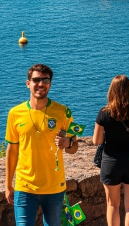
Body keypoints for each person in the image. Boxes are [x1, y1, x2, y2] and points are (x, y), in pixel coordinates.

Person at [5, 64, 80, 226]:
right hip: (25, 187)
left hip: (54, 187)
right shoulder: (14, 114)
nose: (40, 84)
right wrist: (8, 185)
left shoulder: (64, 112)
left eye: (45, 80)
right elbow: (11, 151)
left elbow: (75, 147)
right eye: (36, 80)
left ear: (50, 84)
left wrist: (67, 143)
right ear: (28, 83)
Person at [93, 75, 129, 226]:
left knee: (112, 205)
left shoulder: (103, 113)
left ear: (111, 91)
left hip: (111, 162)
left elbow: (96, 141)